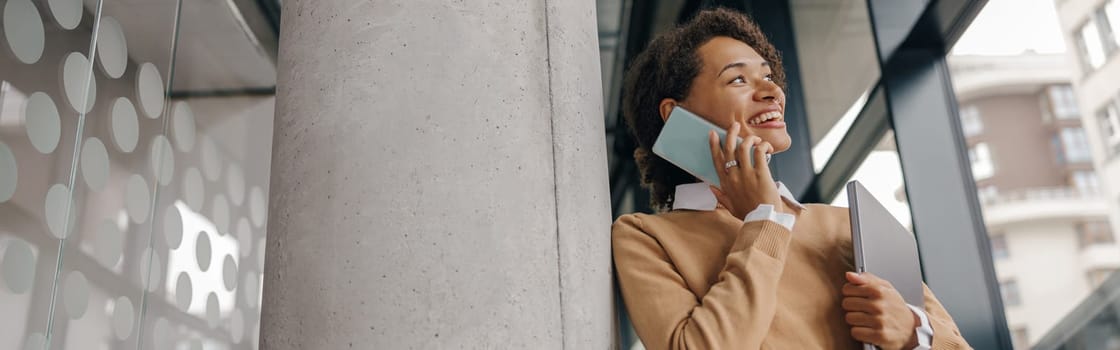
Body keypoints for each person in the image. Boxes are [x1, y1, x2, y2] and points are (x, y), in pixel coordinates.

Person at [612, 8, 971, 350]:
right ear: (676, 115)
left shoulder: (844, 225)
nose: (772, 92)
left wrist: (913, 332)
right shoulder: (646, 237)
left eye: (767, 77)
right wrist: (764, 218)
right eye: (738, 79)